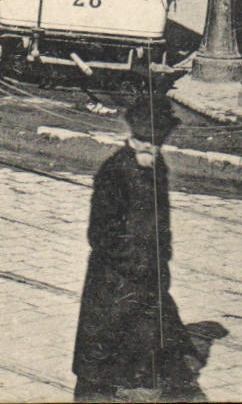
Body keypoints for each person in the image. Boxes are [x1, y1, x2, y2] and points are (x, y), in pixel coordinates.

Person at [71, 96, 199, 401]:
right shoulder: (114, 170)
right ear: (134, 138)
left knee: (150, 339)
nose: (152, 150)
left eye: (156, 143)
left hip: (148, 272)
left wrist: (161, 257)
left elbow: (161, 221)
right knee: (103, 348)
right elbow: (100, 233)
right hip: (114, 277)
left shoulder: (157, 168)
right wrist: (133, 262)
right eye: (146, 143)